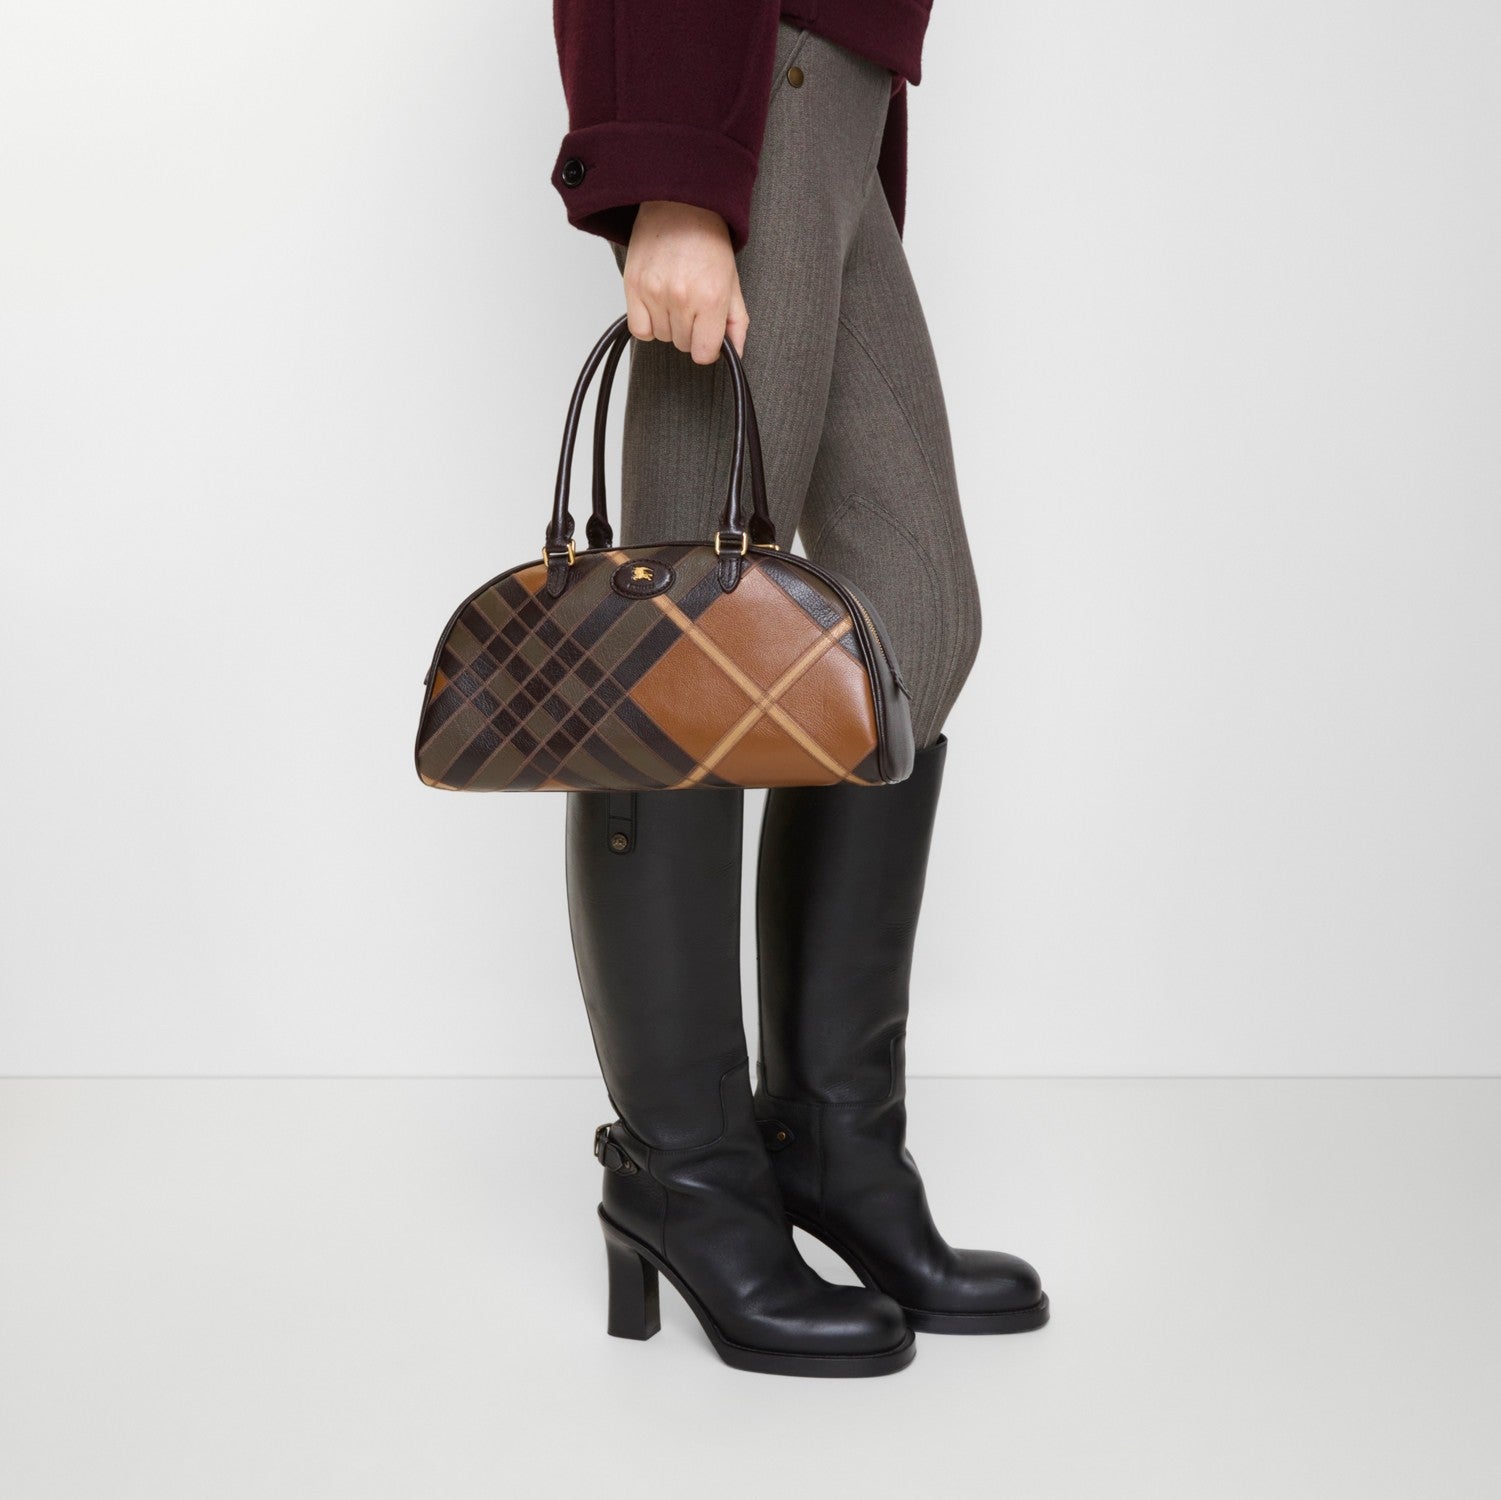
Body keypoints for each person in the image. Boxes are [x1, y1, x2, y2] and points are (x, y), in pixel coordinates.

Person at [549, 1, 1049, 1376]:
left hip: (836, 92)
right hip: (741, 74)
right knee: (679, 660)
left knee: (916, 621)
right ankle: (685, 1175)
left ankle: (832, 1143)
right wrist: (671, 178)